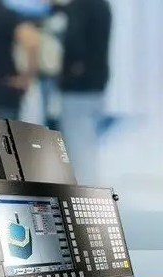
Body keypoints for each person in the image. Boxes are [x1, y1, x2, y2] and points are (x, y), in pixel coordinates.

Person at [57, 0, 112, 186]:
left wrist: (71, 68)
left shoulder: (80, 6)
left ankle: (81, 187)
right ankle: (90, 184)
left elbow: (74, 38)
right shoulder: (102, 5)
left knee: (76, 141)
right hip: (97, 82)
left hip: (77, 86)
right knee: (89, 141)